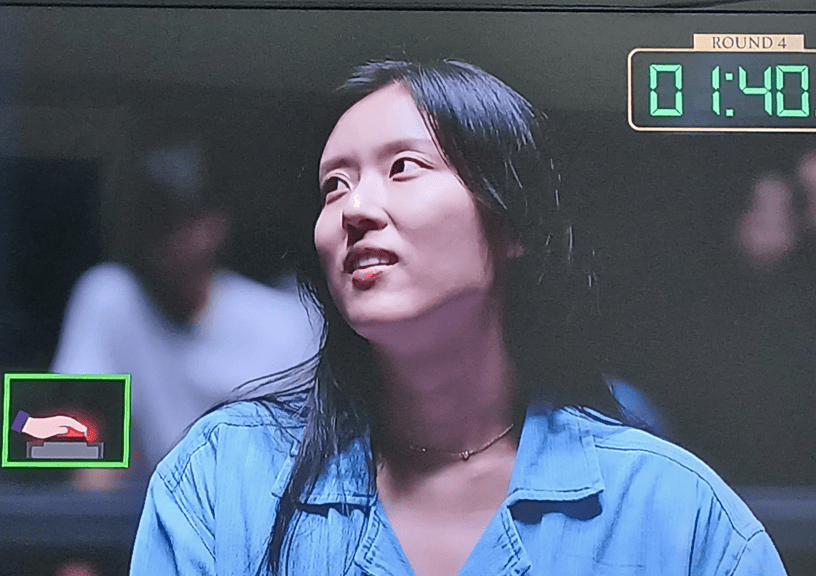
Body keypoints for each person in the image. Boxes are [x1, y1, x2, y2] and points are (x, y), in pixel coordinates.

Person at [130, 60, 786, 575]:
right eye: (335, 185)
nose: (355, 210)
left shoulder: (671, 512)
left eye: (403, 167)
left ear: (512, 222)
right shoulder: (224, 478)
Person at [51, 143, 321, 480]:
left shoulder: (286, 324)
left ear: (216, 224)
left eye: (181, 217)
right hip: (150, 505)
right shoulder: (112, 299)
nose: (165, 234)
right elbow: (84, 456)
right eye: (151, 215)